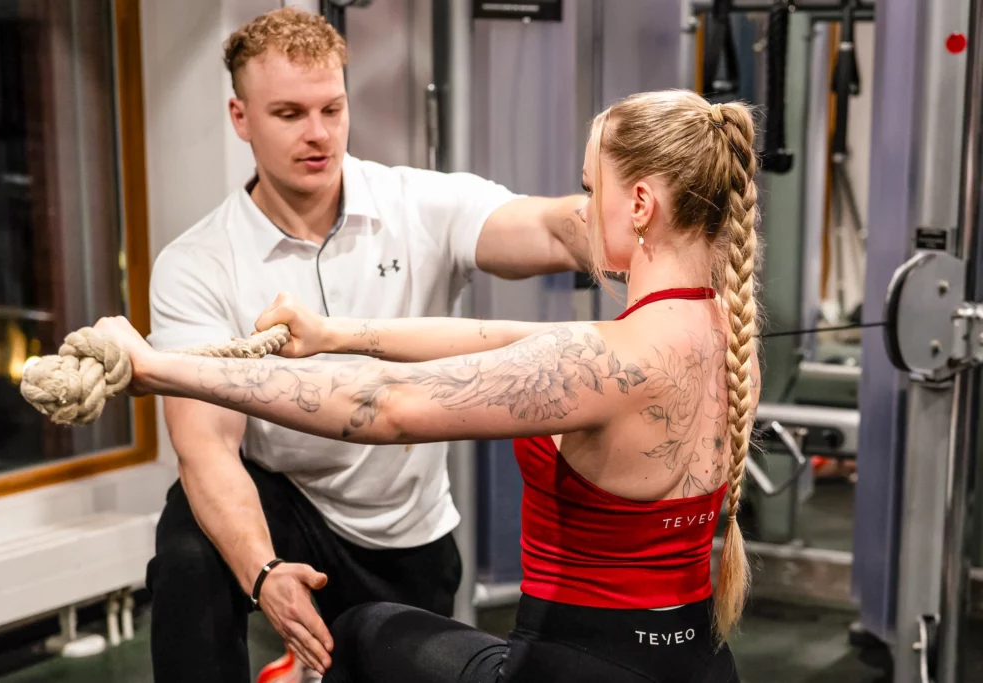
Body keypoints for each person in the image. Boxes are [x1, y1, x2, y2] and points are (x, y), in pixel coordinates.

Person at [96, 88, 762, 682]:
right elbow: (499, 342)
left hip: (571, 666)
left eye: (594, 190)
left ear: (641, 203)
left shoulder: (604, 359)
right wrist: (335, 332)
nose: (586, 210)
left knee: (362, 632)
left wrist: (155, 368)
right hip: (698, 662)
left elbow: (382, 403)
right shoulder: (726, 338)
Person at [145, 7, 596, 683]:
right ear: (241, 118)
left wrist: (637, 214)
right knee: (185, 549)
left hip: (404, 530)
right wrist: (263, 570)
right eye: (289, 114)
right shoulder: (197, 263)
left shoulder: (416, 204)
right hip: (288, 503)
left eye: (332, 107)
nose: (318, 133)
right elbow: (205, 448)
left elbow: (556, 230)